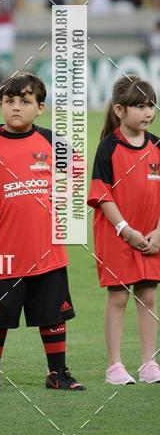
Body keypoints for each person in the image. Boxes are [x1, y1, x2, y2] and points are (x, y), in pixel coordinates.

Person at [0, 72, 85, 392]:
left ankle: (58, 373)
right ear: (0, 105)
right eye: (9, 101)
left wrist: (61, 200)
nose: (16, 107)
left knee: (53, 315)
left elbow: (77, 170)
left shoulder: (52, 141)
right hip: (2, 252)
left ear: (41, 108)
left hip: (47, 251)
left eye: (25, 101)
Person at [88, 75, 160, 385]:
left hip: (151, 236)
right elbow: (102, 195)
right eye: (140, 106)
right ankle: (114, 366)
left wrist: (159, 232)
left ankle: (149, 363)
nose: (148, 113)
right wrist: (125, 229)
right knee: (118, 297)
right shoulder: (108, 148)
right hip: (118, 236)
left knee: (148, 296)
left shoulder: (157, 145)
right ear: (120, 109)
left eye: (151, 106)